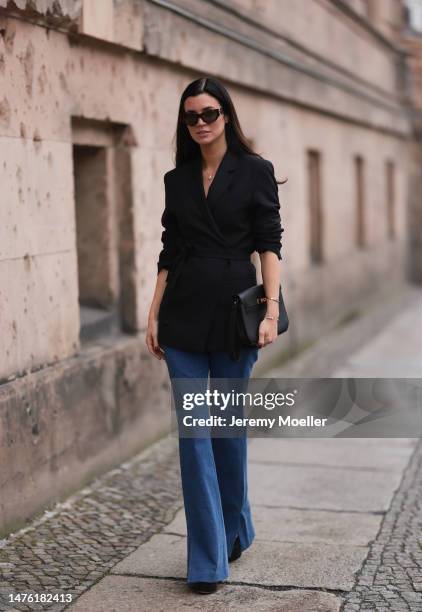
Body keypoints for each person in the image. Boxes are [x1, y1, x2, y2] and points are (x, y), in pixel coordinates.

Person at [146, 76, 285, 595]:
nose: (200, 123)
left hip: (233, 318)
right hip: (182, 316)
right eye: (191, 117)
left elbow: (269, 244)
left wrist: (270, 310)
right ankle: (206, 561)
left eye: (209, 113)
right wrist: (153, 311)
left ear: (226, 114)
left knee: (226, 431)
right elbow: (169, 249)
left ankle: (236, 527)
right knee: (194, 435)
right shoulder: (176, 179)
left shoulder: (255, 172)